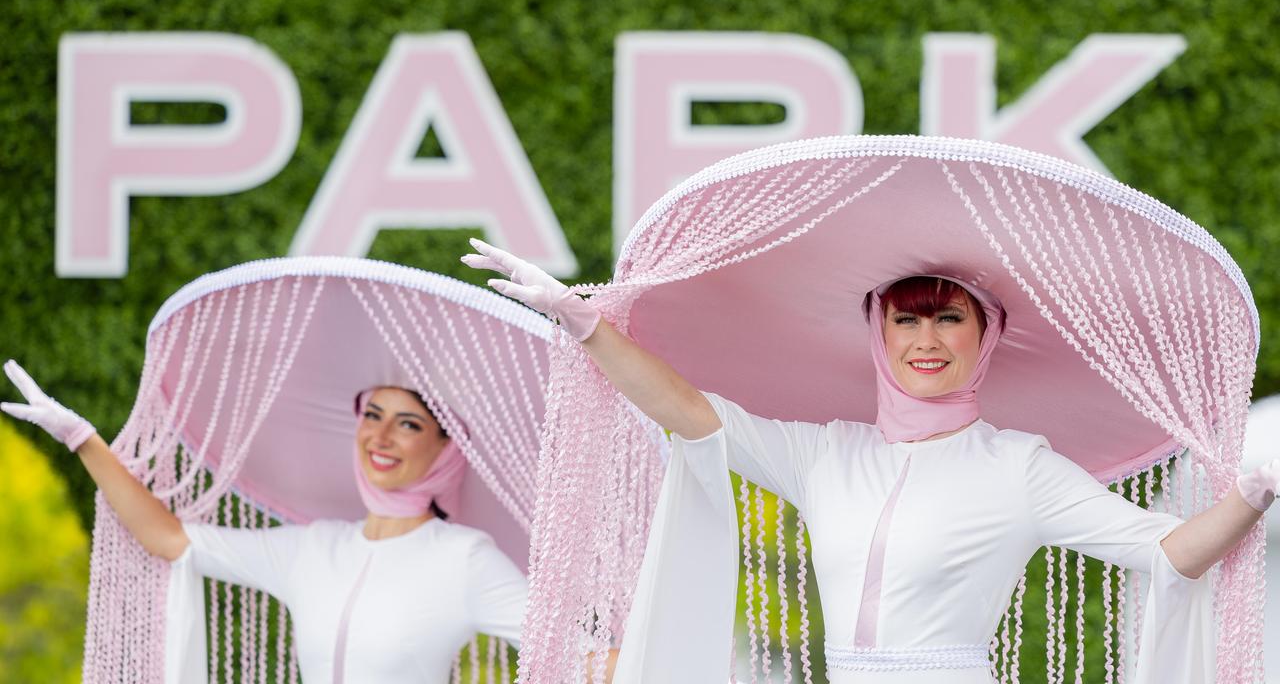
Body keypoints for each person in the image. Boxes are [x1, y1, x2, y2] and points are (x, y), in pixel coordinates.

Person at [464, 239, 1280, 684]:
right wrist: (582, 321)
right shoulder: (825, 453)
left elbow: (1165, 551)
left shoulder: (1017, 467)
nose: (926, 341)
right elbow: (686, 410)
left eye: (948, 320)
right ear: (878, 335)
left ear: (985, 336)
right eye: (906, 321)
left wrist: (1254, 490)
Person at [1, 362, 528, 684]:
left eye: (408, 423)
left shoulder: (464, 558)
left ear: (444, 449)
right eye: (372, 414)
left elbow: (580, 657)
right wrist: (84, 441)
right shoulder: (314, 548)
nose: (381, 435)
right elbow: (168, 538)